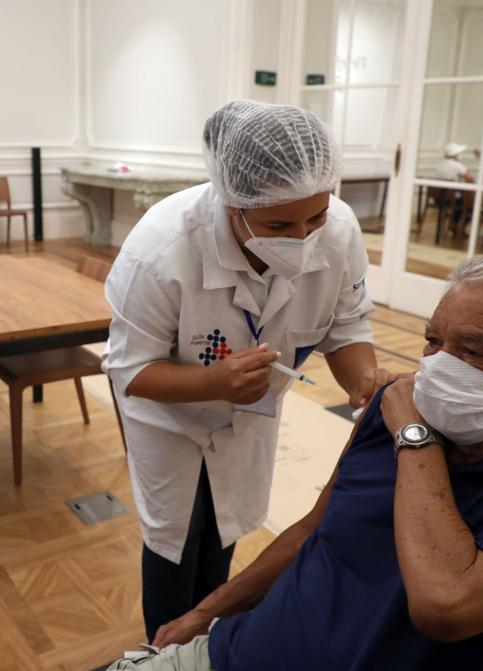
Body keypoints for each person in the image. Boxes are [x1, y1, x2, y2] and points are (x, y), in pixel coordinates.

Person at [105, 255, 483, 671]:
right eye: (432, 341)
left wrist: (415, 438)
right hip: (233, 652)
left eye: (472, 351)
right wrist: (204, 614)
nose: (436, 366)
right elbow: (313, 528)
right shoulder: (389, 412)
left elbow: (444, 604)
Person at [102, 100, 393, 642]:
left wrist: (363, 379)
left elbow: (346, 326)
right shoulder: (162, 249)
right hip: (169, 418)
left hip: (251, 411)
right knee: (173, 541)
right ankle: (163, 654)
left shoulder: (339, 232)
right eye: (278, 224)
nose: (302, 238)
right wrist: (213, 383)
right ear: (231, 202)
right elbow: (129, 370)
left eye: (315, 217)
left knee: (225, 524)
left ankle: (208, 638)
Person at [435, 142, 474, 233]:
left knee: (461, 200)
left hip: (438, 198)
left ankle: (454, 224)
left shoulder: (440, 164)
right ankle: (457, 226)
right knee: (470, 204)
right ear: (455, 155)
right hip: (451, 199)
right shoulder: (457, 165)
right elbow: (471, 179)